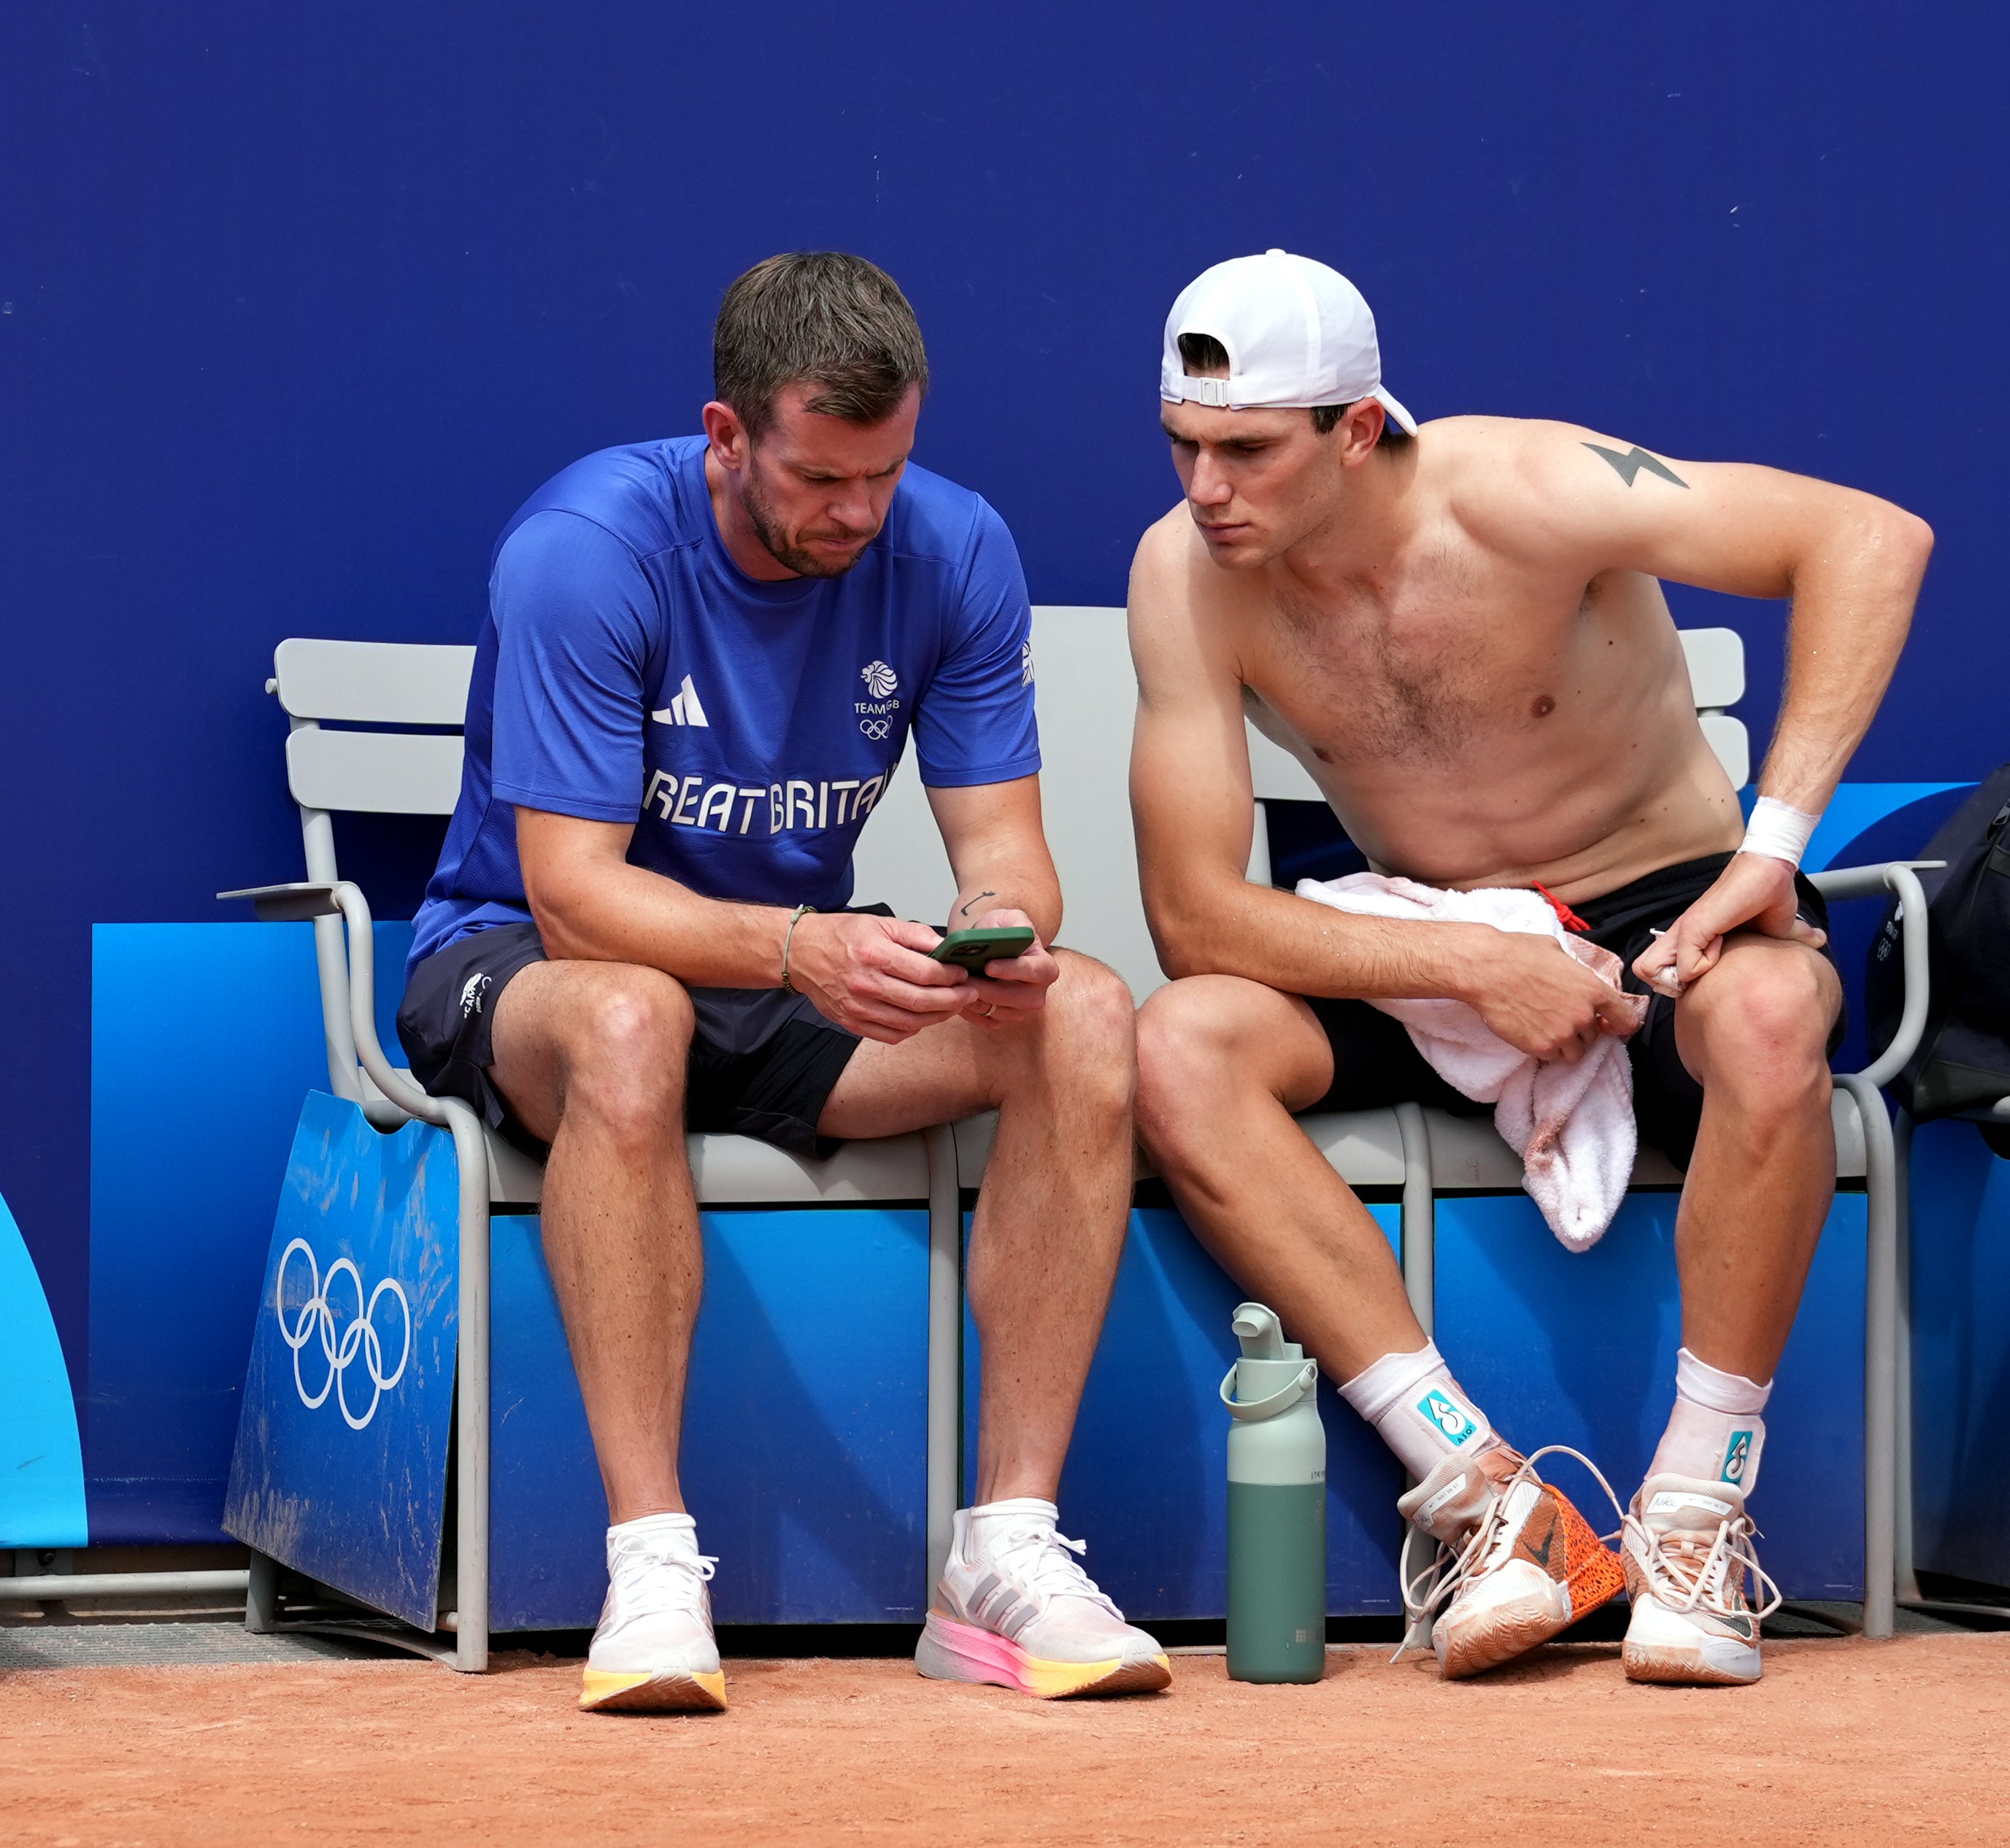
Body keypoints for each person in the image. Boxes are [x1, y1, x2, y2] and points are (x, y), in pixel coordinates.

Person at [1129, 251, 1930, 1687]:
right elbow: (1194, 919)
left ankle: (1694, 1513)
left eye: (1246, 450)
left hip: (1665, 903)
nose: (1207, 490)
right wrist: (1470, 966)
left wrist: (1775, 845)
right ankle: (1482, 1498)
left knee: (1766, 1010)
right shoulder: (1186, 578)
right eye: (1183, 446)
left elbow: (1867, 540)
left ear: (1358, 428)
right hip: (1434, 939)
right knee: (1184, 1041)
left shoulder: (1526, 489)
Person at [401, 252, 1163, 1713]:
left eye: (884, 475)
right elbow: (572, 897)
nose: (858, 515)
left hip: (777, 970)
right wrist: (802, 947)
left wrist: (989, 933)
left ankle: (1002, 1555)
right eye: (821, 478)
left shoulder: (953, 552)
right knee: (634, 1016)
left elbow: (1007, 848)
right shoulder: (584, 547)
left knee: (1079, 1009)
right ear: (725, 434)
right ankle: (648, 1561)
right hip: (528, 964)